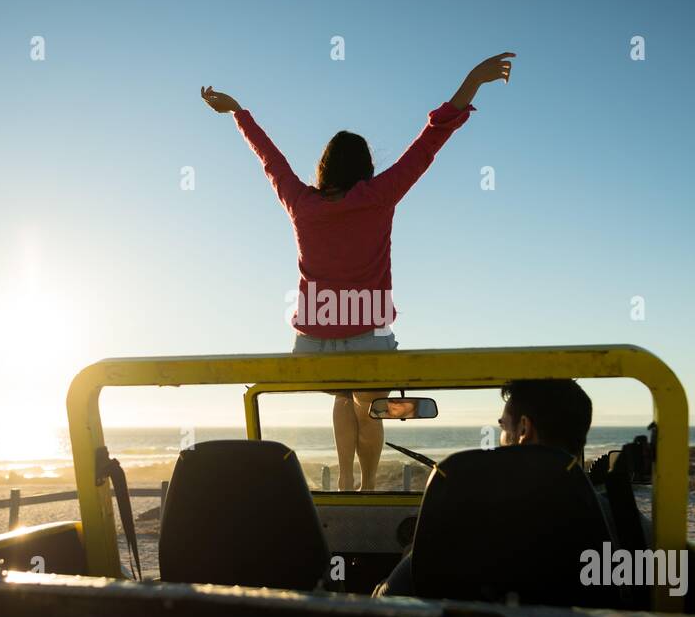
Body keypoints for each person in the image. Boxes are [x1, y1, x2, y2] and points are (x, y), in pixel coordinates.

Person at [200, 52, 515, 490]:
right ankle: (366, 483)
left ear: (324, 168)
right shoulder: (379, 195)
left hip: (311, 345)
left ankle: (344, 479)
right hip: (369, 336)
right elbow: (429, 141)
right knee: (368, 403)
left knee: (342, 395)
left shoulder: (301, 203)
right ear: (365, 167)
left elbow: (269, 159)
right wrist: (472, 83)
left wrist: (238, 112)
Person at [373, 378, 593, 597]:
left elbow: (386, 602)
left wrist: (412, 554)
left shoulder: (467, 519)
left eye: (504, 427)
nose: (501, 439)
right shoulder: (603, 513)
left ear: (524, 429)